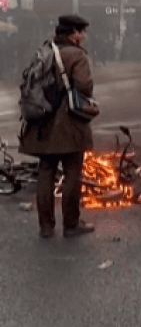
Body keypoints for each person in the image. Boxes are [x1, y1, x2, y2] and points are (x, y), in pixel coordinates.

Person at [20, 14, 99, 238]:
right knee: (73, 173)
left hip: (43, 121)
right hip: (68, 124)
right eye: (81, 31)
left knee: (46, 172)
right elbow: (84, 87)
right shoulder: (76, 55)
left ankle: (46, 226)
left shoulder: (45, 50)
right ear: (72, 33)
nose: (83, 36)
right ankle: (71, 224)